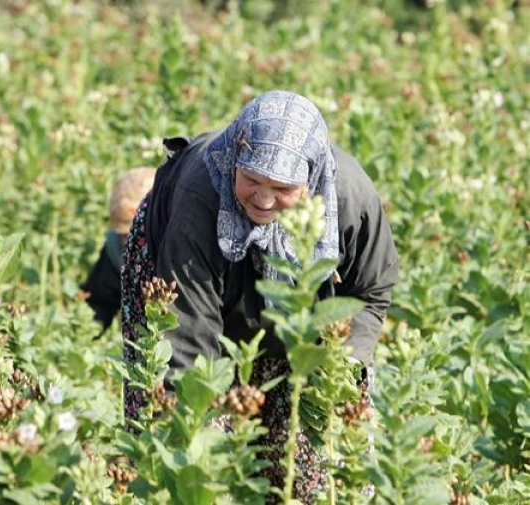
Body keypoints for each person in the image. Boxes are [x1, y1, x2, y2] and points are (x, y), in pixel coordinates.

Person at [120, 91, 398, 503]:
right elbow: (186, 335)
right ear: (234, 158)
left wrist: (341, 365)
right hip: (177, 283)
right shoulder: (200, 199)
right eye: (251, 180)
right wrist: (199, 442)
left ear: (310, 177)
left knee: (315, 472)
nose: (264, 200)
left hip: (298, 315)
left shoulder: (349, 198)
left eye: (283, 188)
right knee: (188, 458)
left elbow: (370, 290)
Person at [81, 167, 155, 329]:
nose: (130, 242)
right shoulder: (116, 249)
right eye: (125, 235)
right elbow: (100, 302)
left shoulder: (182, 250)